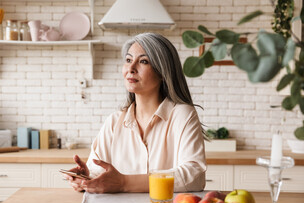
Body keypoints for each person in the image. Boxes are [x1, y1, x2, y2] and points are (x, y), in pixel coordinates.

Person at [63, 32, 206, 193]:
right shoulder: (114, 121)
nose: (131, 69)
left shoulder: (182, 114)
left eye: (143, 61)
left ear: (163, 72)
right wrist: (86, 178)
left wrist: (124, 182)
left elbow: (194, 176)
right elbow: (97, 170)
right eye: (129, 60)